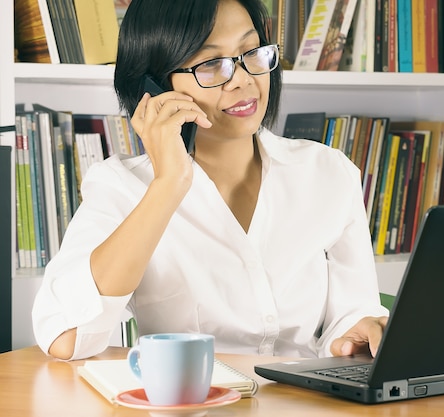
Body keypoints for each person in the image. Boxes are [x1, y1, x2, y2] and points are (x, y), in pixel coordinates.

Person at [32, 0, 389, 361]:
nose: (243, 80)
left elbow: (353, 309)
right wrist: (168, 185)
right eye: (211, 64)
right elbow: (66, 337)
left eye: (251, 52)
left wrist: (356, 331)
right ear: (153, 86)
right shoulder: (122, 187)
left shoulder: (328, 173)